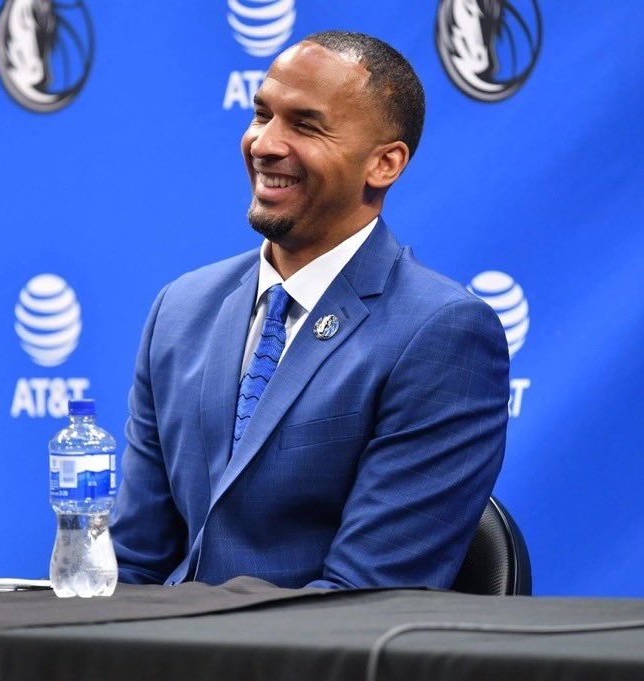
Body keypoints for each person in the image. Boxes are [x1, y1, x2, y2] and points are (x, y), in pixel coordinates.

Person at [111, 30, 510, 590]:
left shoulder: (443, 332)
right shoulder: (180, 308)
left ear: (385, 164)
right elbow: (132, 563)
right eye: (261, 115)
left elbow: (365, 594)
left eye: (305, 125)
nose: (264, 144)